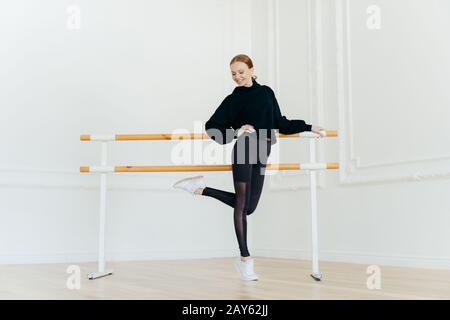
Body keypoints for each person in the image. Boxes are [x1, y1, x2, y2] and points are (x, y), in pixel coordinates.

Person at [173, 54, 325, 281]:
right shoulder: (232, 100)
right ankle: (245, 259)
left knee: (250, 207)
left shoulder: (266, 93)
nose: (237, 77)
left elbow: (280, 123)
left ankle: (200, 188)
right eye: (233, 73)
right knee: (242, 203)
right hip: (244, 147)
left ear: (252, 70)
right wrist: (235, 132)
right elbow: (212, 126)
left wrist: (309, 126)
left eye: (241, 71)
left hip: (263, 150)